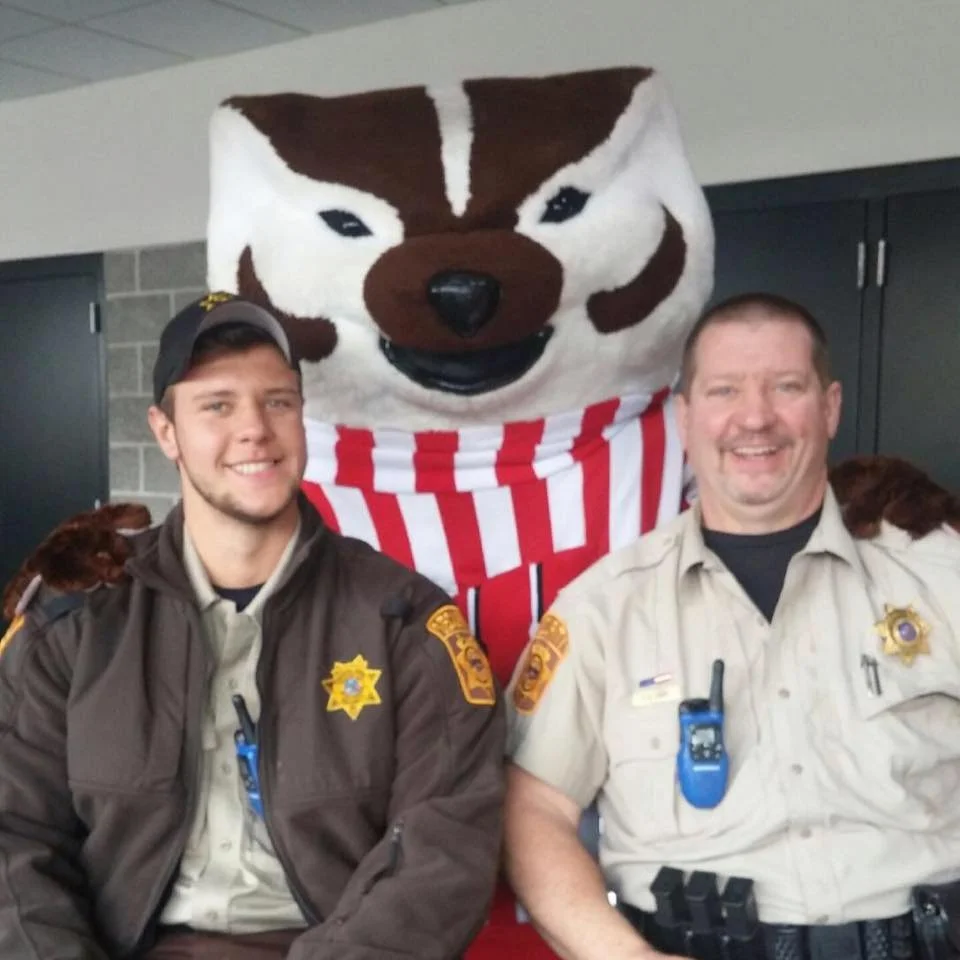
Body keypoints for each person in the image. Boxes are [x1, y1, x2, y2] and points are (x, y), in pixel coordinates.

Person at [0, 292, 505, 960]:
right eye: (216, 405)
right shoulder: (78, 619)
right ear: (165, 431)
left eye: (277, 401)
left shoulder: (405, 622)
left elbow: (444, 855)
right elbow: (14, 835)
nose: (254, 430)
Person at [502, 292, 960, 960]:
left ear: (828, 408)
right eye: (724, 391)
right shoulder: (603, 609)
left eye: (786, 386)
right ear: (685, 418)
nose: (755, 417)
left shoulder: (938, 574)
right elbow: (530, 810)